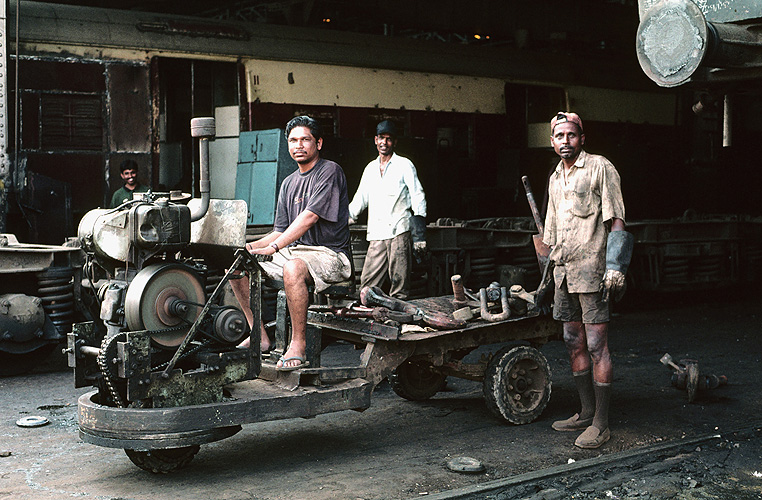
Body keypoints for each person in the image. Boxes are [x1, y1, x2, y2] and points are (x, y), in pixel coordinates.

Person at [230, 116, 352, 371]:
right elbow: (279, 231)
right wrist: (249, 247)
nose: (299, 145)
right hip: (296, 252)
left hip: (330, 255)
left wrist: (274, 248)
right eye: (293, 140)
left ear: (318, 143)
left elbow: (309, 217)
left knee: (293, 268)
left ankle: (298, 345)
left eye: (305, 139)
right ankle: (259, 336)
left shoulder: (329, 171)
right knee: (235, 264)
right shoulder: (288, 183)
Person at [543, 112, 633, 449]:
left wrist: (616, 265)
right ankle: (584, 412)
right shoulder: (554, 178)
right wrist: (546, 271)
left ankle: (601, 423)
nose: (565, 141)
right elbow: (550, 231)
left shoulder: (600, 167)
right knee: (572, 340)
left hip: (593, 271)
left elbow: (618, 219)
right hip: (564, 271)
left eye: (571, 135)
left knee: (597, 346)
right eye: (558, 136)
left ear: (582, 138)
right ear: (551, 141)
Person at [348, 120, 426, 299]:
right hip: (377, 233)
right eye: (381, 138)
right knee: (367, 285)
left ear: (395, 142)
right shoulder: (370, 169)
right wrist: (345, 219)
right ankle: (367, 318)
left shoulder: (404, 165)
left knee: (399, 285)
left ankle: (397, 319)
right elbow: (360, 199)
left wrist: (419, 234)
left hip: (399, 231)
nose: (384, 142)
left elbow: (417, 195)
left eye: (389, 139)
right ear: (375, 140)